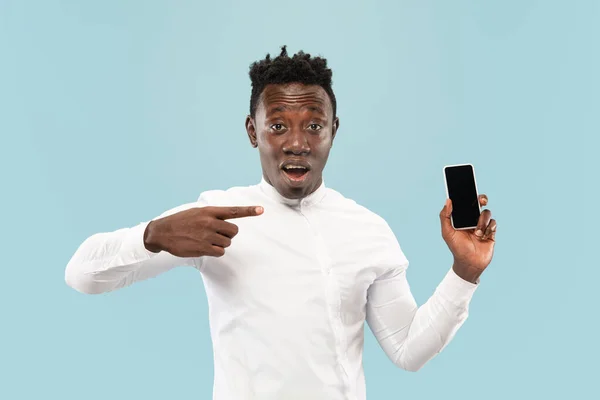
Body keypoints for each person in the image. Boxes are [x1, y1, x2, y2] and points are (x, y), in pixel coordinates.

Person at [65, 46, 497, 400]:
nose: (296, 143)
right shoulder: (214, 215)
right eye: (277, 126)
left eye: (313, 125)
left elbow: (408, 349)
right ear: (253, 131)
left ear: (333, 129)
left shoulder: (368, 230)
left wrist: (466, 272)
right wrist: (152, 236)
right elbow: (82, 275)